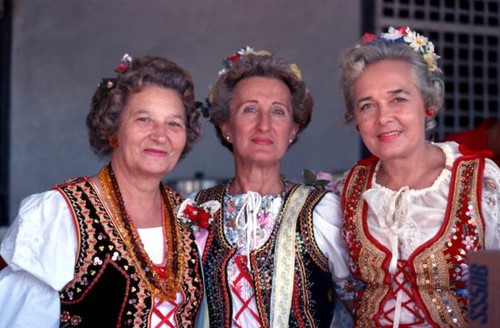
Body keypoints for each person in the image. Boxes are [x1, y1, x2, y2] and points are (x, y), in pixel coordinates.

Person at [0, 54, 207, 327]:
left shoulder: (187, 216)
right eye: (144, 119)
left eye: (174, 123)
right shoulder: (61, 214)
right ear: (113, 129)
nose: (160, 135)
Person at [335, 27, 500, 326]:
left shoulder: (479, 184)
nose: (383, 117)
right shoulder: (347, 188)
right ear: (356, 120)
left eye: (398, 99)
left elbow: (491, 305)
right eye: (367, 105)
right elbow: (344, 295)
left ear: (427, 105)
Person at [193, 46, 351, 327]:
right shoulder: (196, 210)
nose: (264, 125)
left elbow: (354, 308)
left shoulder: (322, 211)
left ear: (292, 130)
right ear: (226, 127)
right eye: (249, 109)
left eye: (278, 112)